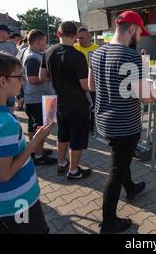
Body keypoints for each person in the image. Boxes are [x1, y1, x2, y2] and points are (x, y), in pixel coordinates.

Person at [0, 51, 54, 234]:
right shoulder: (7, 124)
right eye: (19, 76)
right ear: (2, 81)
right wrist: (34, 143)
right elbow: (4, 175)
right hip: (18, 201)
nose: (22, 81)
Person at [89, 11, 156, 234]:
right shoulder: (133, 57)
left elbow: (91, 86)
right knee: (116, 172)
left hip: (104, 121)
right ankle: (108, 222)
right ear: (131, 29)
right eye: (140, 32)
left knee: (121, 160)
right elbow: (145, 97)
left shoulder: (96, 53)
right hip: (125, 125)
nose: (140, 36)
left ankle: (131, 188)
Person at [40, 21, 92, 181]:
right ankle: (74, 171)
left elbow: (42, 77)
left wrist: (58, 78)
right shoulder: (78, 56)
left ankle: (62, 162)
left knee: (62, 135)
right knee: (76, 138)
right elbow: (85, 85)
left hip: (58, 100)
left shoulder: (47, 52)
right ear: (76, 36)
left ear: (58, 34)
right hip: (77, 103)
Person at [21, 30, 57, 166]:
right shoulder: (32, 57)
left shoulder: (28, 52)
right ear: (38, 42)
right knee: (43, 127)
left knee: (34, 127)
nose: (46, 44)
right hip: (40, 98)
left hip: (35, 98)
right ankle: (39, 156)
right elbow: (32, 79)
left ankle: (35, 149)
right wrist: (52, 76)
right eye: (45, 41)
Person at [74, 27, 99, 134]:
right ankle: (81, 127)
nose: (79, 40)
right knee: (79, 107)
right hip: (77, 83)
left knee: (93, 105)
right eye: (78, 38)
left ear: (89, 38)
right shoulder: (74, 47)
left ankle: (92, 127)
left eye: (81, 38)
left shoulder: (97, 49)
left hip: (92, 83)